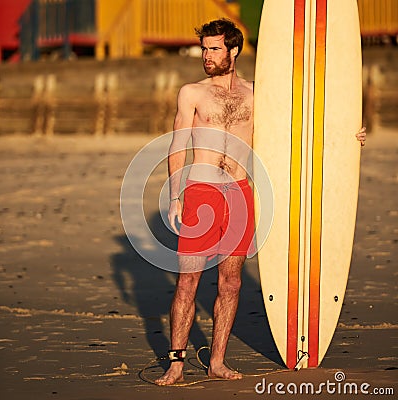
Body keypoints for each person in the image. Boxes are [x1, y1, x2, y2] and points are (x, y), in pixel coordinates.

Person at [155, 19, 366, 386]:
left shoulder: (257, 94)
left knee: (231, 282)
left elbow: (300, 124)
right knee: (188, 281)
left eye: (215, 48)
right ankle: (176, 362)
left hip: (239, 192)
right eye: (204, 49)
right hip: (201, 191)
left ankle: (217, 361)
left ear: (233, 51)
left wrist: (350, 134)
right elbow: (178, 144)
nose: (207, 56)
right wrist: (175, 195)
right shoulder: (192, 93)